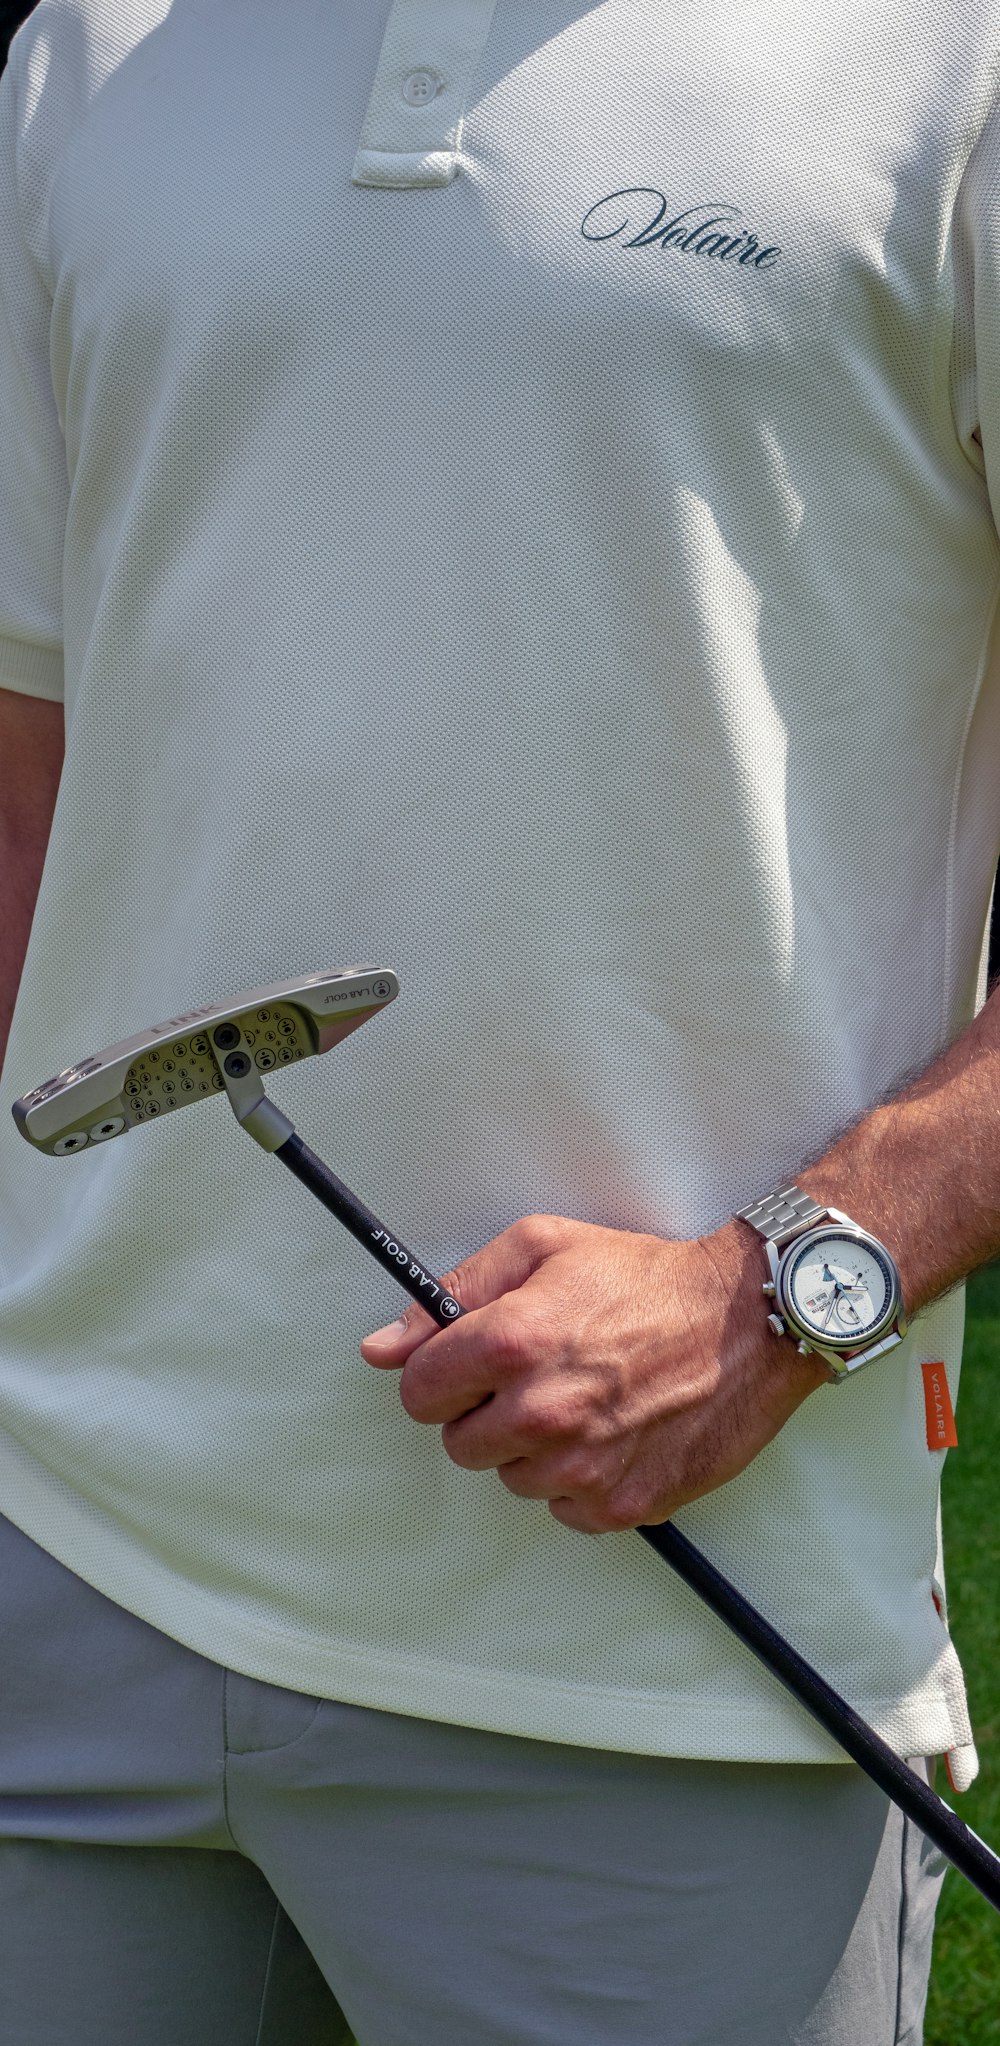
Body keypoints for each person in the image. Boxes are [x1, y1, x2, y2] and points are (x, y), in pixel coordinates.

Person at [1, 2, 998, 2039]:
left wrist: (789, 1280)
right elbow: (41, 764)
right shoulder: (91, 49)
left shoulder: (951, 61)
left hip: (659, 1661)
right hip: (53, 1573)